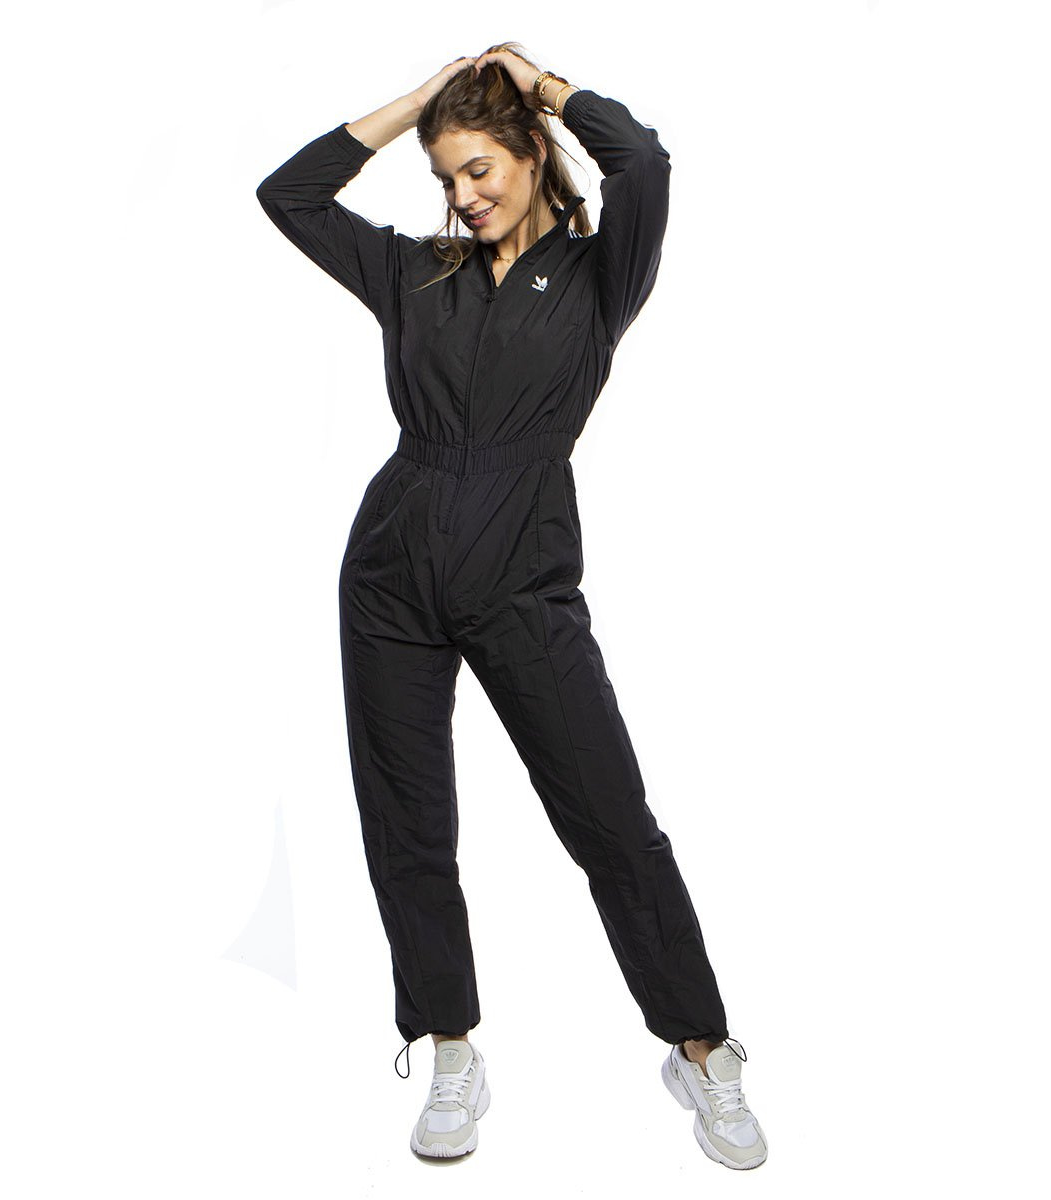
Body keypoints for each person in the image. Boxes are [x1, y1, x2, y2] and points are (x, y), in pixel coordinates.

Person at [255, 42, 767, 1170]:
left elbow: (644, 162)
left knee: (611, 821)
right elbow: (288, 194)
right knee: (408, 823)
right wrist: (417, 106)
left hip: (525, 573)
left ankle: (701, 1047)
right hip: (391, 570)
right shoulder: (414, 272)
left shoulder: (600, 274)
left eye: (480, 168)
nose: (464, 195)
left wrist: (540, 84)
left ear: (534, 153)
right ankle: (449, 1046)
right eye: (446, 178)